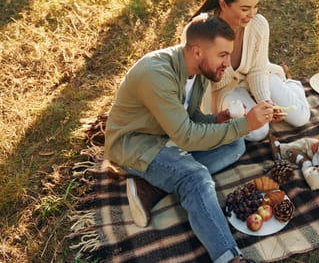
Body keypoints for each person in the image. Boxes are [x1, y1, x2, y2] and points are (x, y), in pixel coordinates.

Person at [104, 14, 272, 263]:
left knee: (235, 143)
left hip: (166, 137)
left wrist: (218, 121)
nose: (228, 63)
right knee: (195, 177)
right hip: (135, 145)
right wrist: (245, 124)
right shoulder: (157, 74)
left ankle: (150, 187)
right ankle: (228, 257)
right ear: (197, 51)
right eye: (222, 55)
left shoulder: (199, 71)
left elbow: (191, 117)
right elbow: (187, 137)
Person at [182, 0, 310, 141]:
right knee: (258, 131)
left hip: (260, 78)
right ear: (224, 4)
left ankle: (291, 85)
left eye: (256, 6)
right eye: (245, 9)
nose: (252, 14)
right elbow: (195, 82)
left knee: (300, 117)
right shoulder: (200, 30)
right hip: (224, 91)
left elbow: (258, 69)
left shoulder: (258, 24)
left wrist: (265, 102)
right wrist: (205, 120)